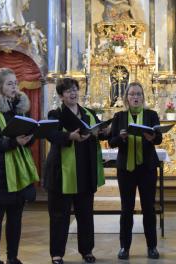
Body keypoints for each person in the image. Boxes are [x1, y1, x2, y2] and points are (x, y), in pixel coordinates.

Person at [43, 78, 108, 264]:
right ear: (61, 95)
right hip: (61, 172)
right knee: (59, 215)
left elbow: (99, 131)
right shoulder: (55, 114)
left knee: (85, 214)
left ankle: (86, 250)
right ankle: (57, 253)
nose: (73, 93)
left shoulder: (89, 113)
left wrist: (104, 131)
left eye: (75, 90)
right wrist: (68, 136)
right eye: (68, 91)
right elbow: (50, 135)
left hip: (85, 171)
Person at [0, 68, 39, 264]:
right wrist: (13, 142)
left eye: (15, 83)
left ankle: (13, 257)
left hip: (19, 171)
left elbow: (24, 138)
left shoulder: (19, 109)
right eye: (10, 84)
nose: (15, 87)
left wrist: (29, 138)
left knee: (15, 219)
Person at [108, 82, 162, 260]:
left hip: (146, 168)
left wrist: (152, 136)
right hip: (126, 169)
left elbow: (159, 138)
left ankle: (152, 247)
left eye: (139, 94)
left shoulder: (151, 115)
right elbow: (112, 142)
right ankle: (124, 247)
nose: (135, 97)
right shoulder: (119, 117)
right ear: (126, 98)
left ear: (143, 97)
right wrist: (121, 137)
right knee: (126, 209)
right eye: (132, 94)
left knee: (148, 208)